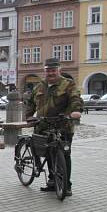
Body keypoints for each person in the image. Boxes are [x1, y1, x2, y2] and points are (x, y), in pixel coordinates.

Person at [24, 58, 82, 196]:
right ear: (45, 71)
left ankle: (66, 185)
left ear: (59, 70)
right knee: (49, 154)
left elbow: (75, 99)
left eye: (53, 70)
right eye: (48, 70)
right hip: (43, 125)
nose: (50, 73)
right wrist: (29, 116)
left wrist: (76, 111)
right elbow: (31, 103)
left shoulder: (68, 84)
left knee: (64, 155)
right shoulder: (39, 86)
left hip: (63, 125)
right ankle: (52, 181)